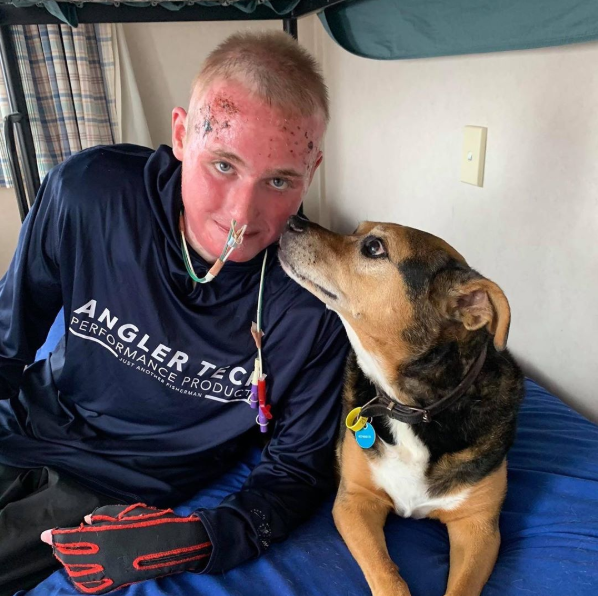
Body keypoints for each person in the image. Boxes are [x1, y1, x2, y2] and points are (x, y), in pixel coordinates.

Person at [0, 31, 348, 595]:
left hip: (111, 486)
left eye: (279, 181)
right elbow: (8, 342)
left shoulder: (311, 305)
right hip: (26, 419)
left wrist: (202, 537)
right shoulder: (88, 196)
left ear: (313, 169)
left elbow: (296, 472)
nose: (242, 215)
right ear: (183, 134)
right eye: (224, 166)